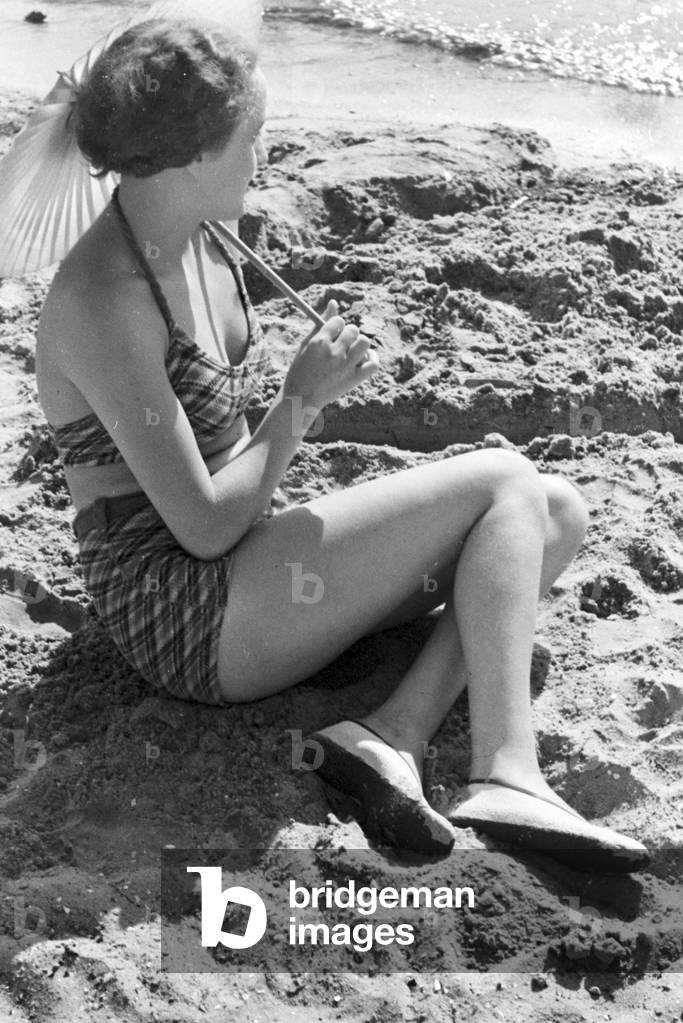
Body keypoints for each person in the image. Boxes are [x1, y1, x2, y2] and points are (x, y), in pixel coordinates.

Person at [35, 17, 649, 871]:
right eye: (251, 139)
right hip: (183, 614)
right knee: (507, 478)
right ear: (194, 157)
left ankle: (388, 734)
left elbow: (225, 473)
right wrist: (298, 402)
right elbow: (203, 527)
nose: (262, 159)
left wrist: (289, 429)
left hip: (243, 565)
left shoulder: (203, 235)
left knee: (553, 511)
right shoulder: (105, 298)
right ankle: (506, 768)